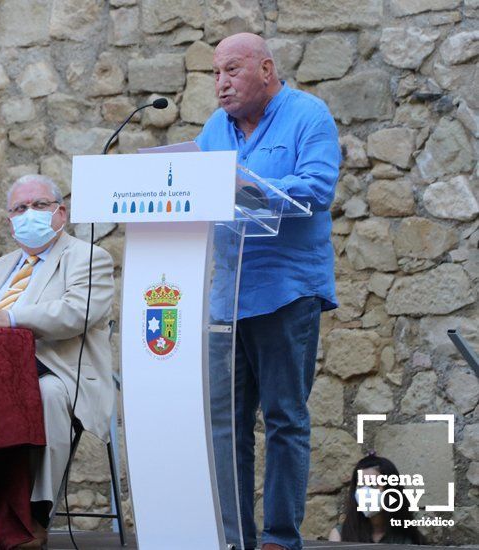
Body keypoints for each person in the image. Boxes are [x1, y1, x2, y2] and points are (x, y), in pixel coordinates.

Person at [196, 33, 341, 550]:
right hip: (227, 296)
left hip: (287, 292)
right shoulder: (215, 129)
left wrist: (246, 188)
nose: (221, 83)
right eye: (215, 74)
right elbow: (193, 192)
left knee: (283, 418)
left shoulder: (309, 115)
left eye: (231, 70)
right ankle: (234, 537)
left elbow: (319, 188)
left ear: (265, 68)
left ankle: (281, 538)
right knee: (228, 425)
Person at [0, 174, 115, 549]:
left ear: (60, 213)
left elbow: (76, 312)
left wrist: (12, 318)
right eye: (19, 208)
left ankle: (32, 515)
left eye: (39, 206)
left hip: (60, 371)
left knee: (44, 395)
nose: (28, 214)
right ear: (10, 220)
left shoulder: (89, 256)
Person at [329, 453, 423, 544]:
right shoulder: (339, 537)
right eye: (361, 485)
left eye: (372, 485)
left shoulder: (408, 539)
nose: (366, 491)